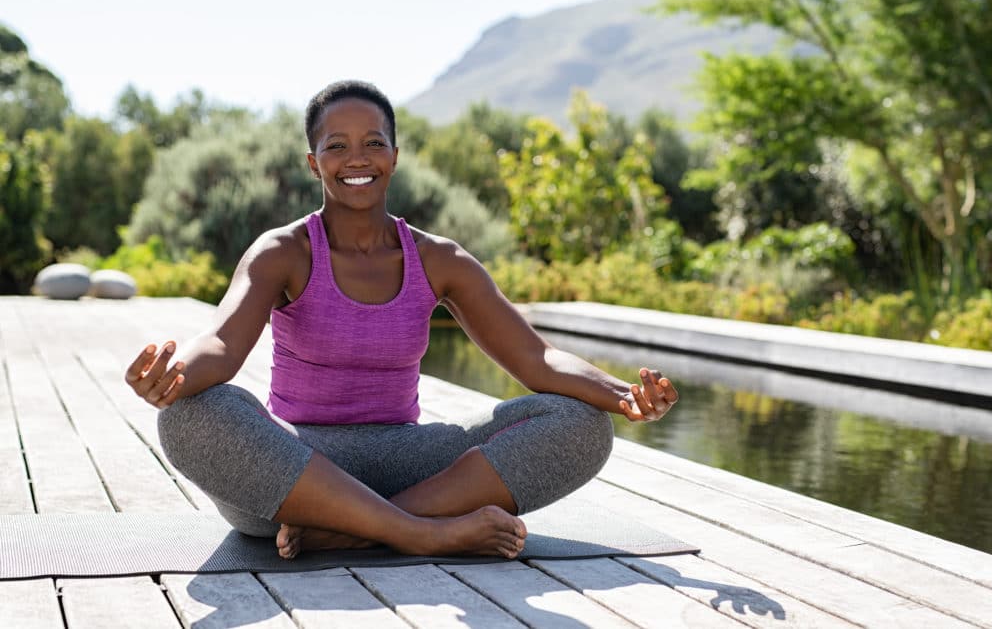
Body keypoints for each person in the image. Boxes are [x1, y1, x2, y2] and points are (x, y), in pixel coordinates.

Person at [124, 80, 679, 560]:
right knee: (189, 414)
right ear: (314, 162)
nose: (357, 158)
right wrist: (173, 378)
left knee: (579, 424)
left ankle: (354, 533)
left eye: (373, 143)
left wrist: (621, 393)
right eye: (336, 146)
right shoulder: (283, 251)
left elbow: (535, 359)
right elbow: (220, 343)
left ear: (394, 154)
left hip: (410, 462)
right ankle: (419, 534)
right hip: (296, 471)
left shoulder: (439, 260)